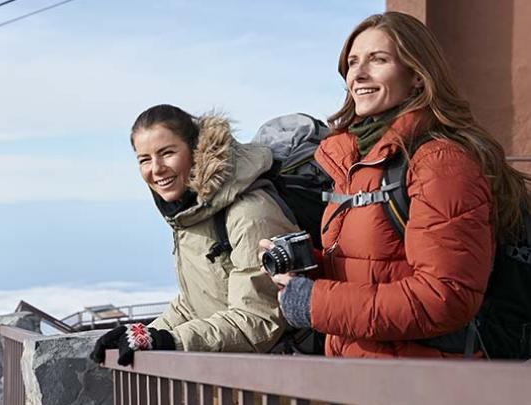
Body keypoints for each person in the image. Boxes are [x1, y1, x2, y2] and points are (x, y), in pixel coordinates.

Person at [269, 12, 531, 358]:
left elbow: (445, 296)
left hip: (425, 381)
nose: (358, 74)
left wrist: (316, 301)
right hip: (366, 373)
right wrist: (307, 267)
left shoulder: (439, 162)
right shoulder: (358, 162)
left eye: (378, 60)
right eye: (352, 62)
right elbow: (380, 268)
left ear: (418, 77)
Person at [90, 104, 298, 365]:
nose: (156, 169)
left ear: (195, 150)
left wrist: (172, 341)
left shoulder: (250, 213)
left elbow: (257, 320)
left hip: (279, 379)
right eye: (144, 159)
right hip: (233, 376)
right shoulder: (194, 215)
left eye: (167, 153)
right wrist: (145, 333)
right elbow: (195, 303)